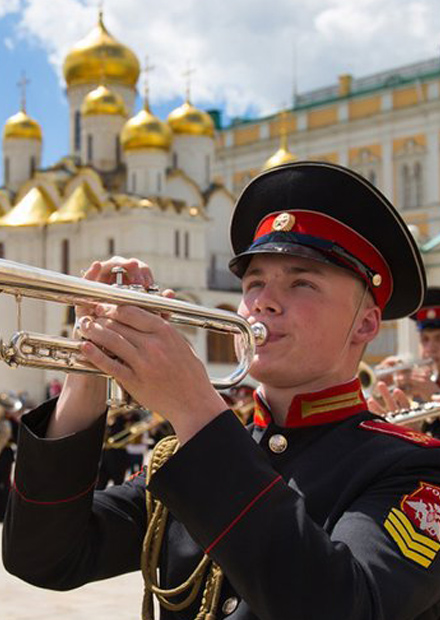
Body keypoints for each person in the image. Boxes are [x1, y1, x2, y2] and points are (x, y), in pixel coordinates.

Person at [3, 161, 440, 620]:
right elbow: (44, 556)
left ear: (366, 323)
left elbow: (344, 606)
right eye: (253, 283)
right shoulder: (190, 456)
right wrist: (91, 367)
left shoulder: (414, 469)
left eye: (301, 282)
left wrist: (194, 406)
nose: (262, 302)